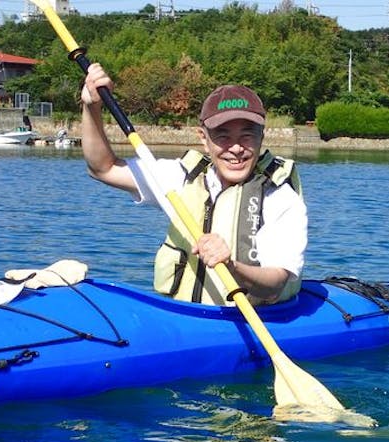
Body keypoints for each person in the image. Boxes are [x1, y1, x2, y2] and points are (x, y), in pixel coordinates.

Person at [80, 63, 307, 306]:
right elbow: (103, 168)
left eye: (247, 135)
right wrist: (92, 107)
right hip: (186, 317)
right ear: (203, 139)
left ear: (262, 136)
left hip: (255, 319)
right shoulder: (181, 178)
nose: (236, 148)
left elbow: (274, 285)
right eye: (223, 136)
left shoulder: (281, 198)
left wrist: (231, 266)